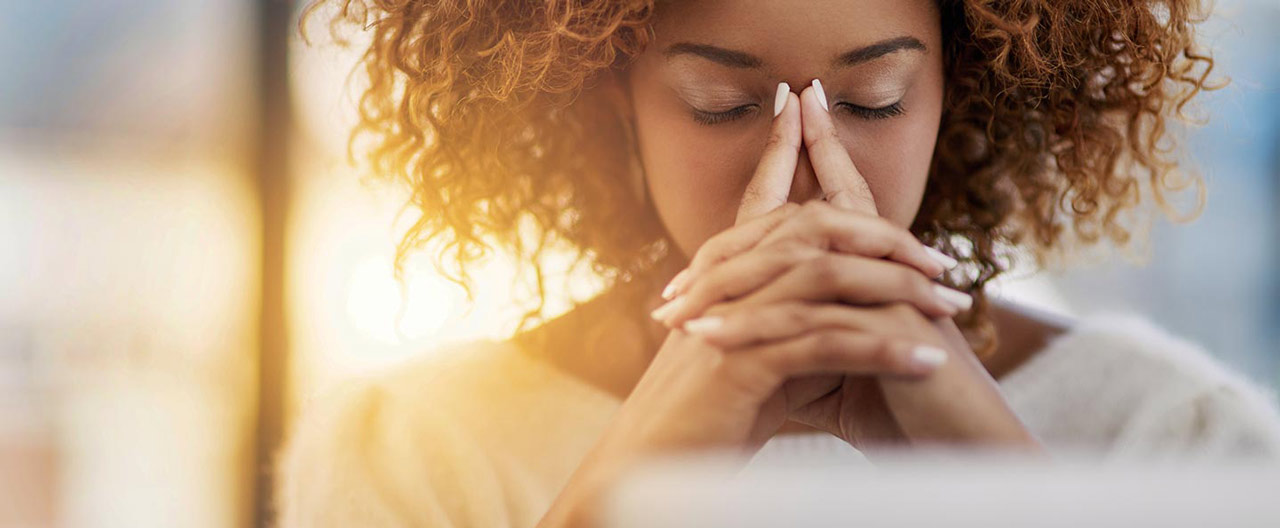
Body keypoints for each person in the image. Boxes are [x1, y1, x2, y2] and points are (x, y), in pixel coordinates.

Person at [276, 0, 1280, 526]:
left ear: (959, 95)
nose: (802, 165)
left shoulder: (1177, 440)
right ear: (608, 100)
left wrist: (994, 479)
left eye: (873, 99)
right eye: (719, 103)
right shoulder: (412, 456)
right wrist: (632, 480)